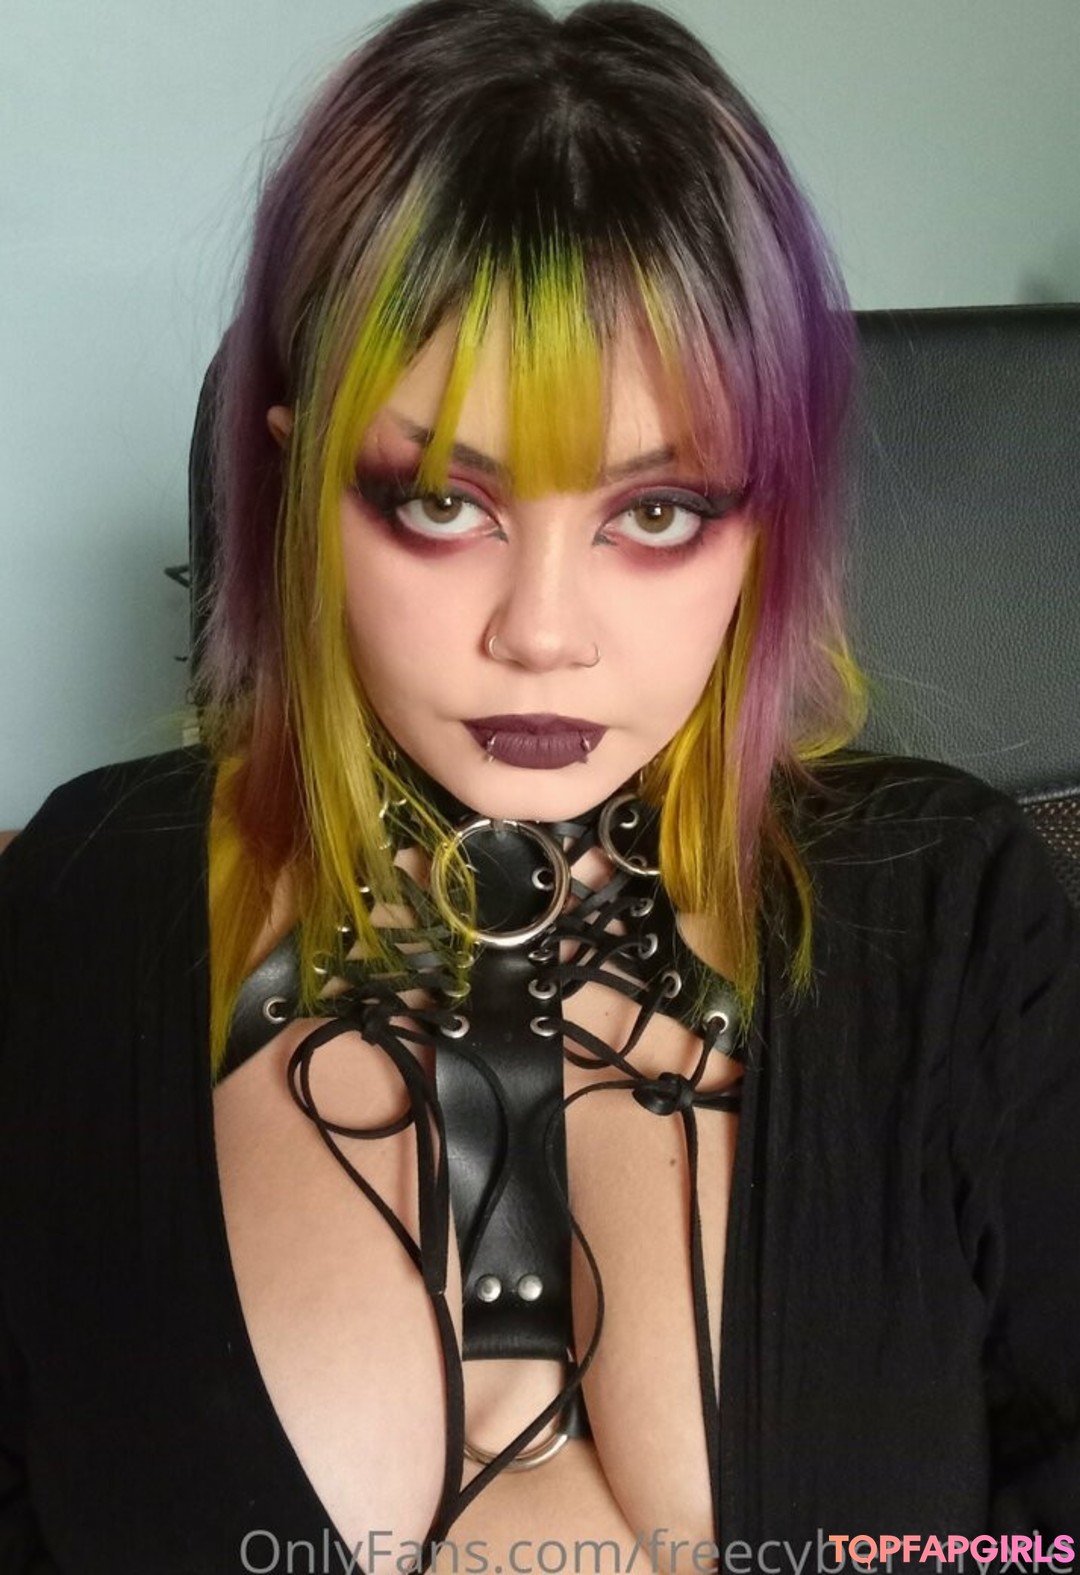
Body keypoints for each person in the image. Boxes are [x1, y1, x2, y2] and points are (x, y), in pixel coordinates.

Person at [1, 0, 1078, 1570]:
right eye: (443, 501)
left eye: (659, 511)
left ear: (769, 518)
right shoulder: (79, 910)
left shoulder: (959, 915)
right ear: (297, 479)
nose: (545, 634)